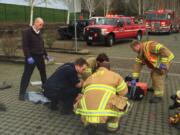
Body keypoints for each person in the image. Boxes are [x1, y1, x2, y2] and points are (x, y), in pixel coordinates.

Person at [74, 61, 129, 134]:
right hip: (105, 108)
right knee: (122, 101)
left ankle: (89, 123)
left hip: (86, 108)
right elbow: (123, 92)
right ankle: (112, 127)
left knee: (83, 98)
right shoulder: (115, 75)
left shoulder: (91, 76)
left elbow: (84, 92)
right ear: (109, 69)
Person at [19, 17, 50, 101]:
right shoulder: (27, 32)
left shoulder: (39, 32)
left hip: (40, 57)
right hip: (31, 57)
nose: (42, 26)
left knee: (43, 74)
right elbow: (25, 46)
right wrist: (28, 57)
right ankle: (21, 93)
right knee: (27, 75)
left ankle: (46, 91)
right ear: (35, 23)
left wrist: (46, 55)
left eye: (42, 25)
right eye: (40, 24)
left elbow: (42, 45)